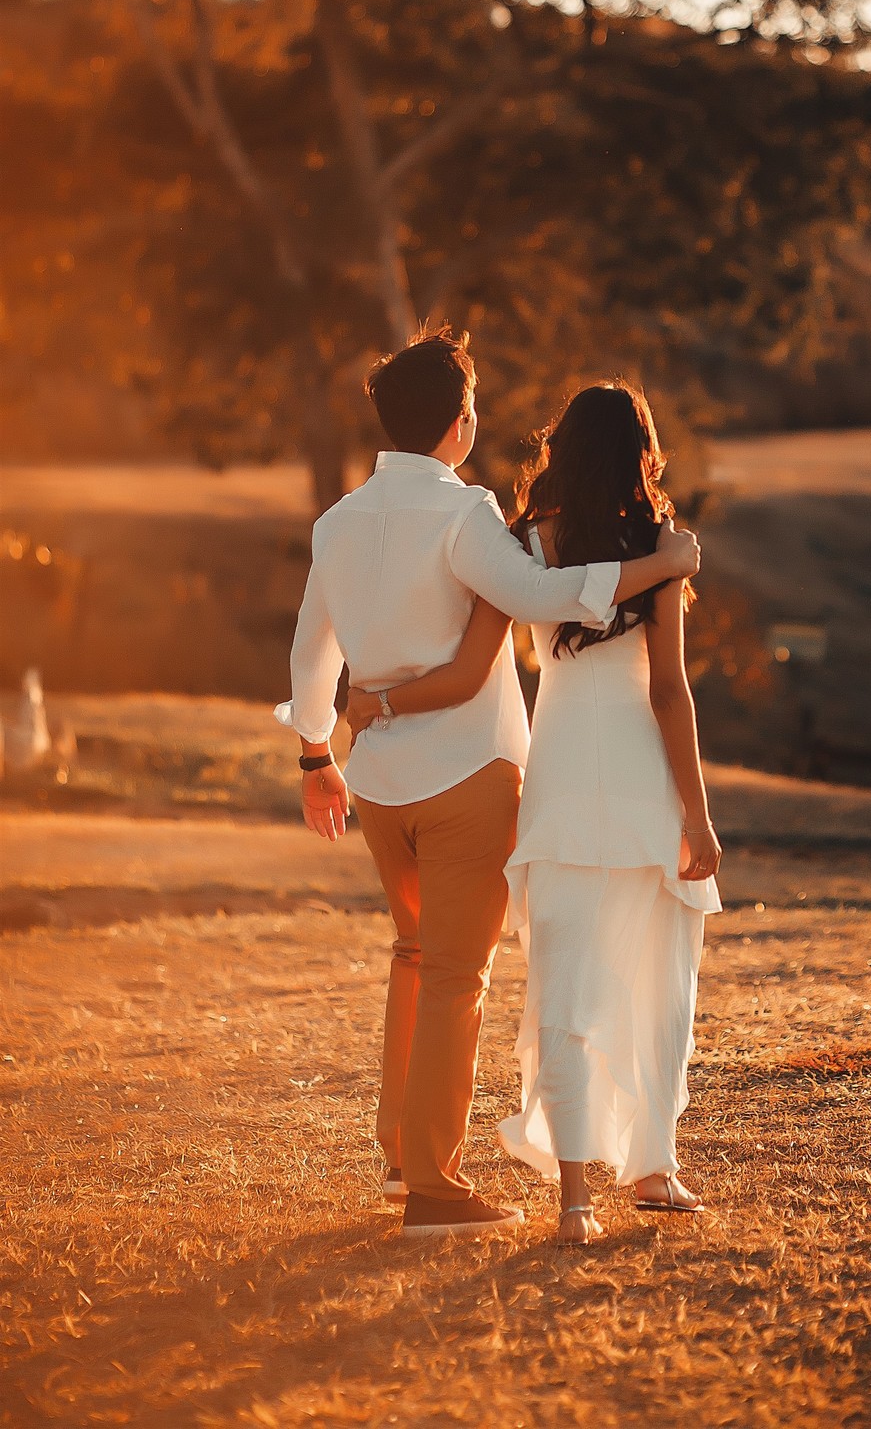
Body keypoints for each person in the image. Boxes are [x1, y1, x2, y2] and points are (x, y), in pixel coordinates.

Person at [276, 331, 701, 1239]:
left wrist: (318, 759)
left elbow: (312, 657)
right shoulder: (465, 515)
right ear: (459, 423)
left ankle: (401, 1157)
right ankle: (433, 1187)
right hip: (467, 778)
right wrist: (661, 566)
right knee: (453, 978)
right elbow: (542, 600)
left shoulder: (338, 524)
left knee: (413, 957)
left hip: (383, 792)